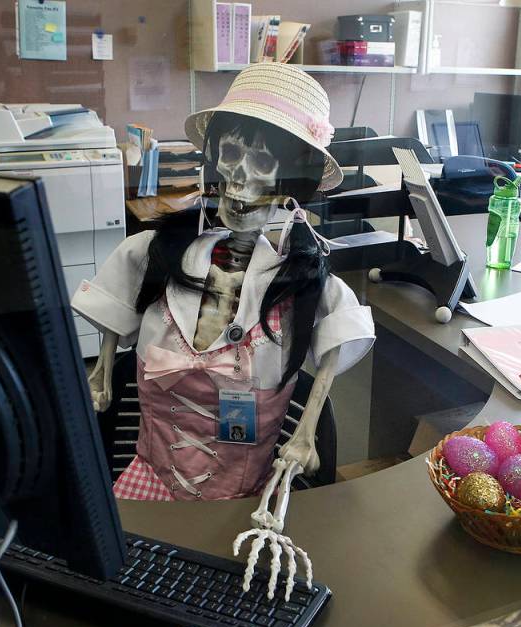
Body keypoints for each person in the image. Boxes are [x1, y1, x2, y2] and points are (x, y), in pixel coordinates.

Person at [72, 63, 375, 502]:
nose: (237, 180)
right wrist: (101, 376)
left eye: (263, 163)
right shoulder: (153, 255)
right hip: (149, 482)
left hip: (243, 500)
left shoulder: (306, 288)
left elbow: (334, 351)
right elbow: (111, 325)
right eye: (230, 156)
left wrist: (305, 434)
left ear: (295, 179)